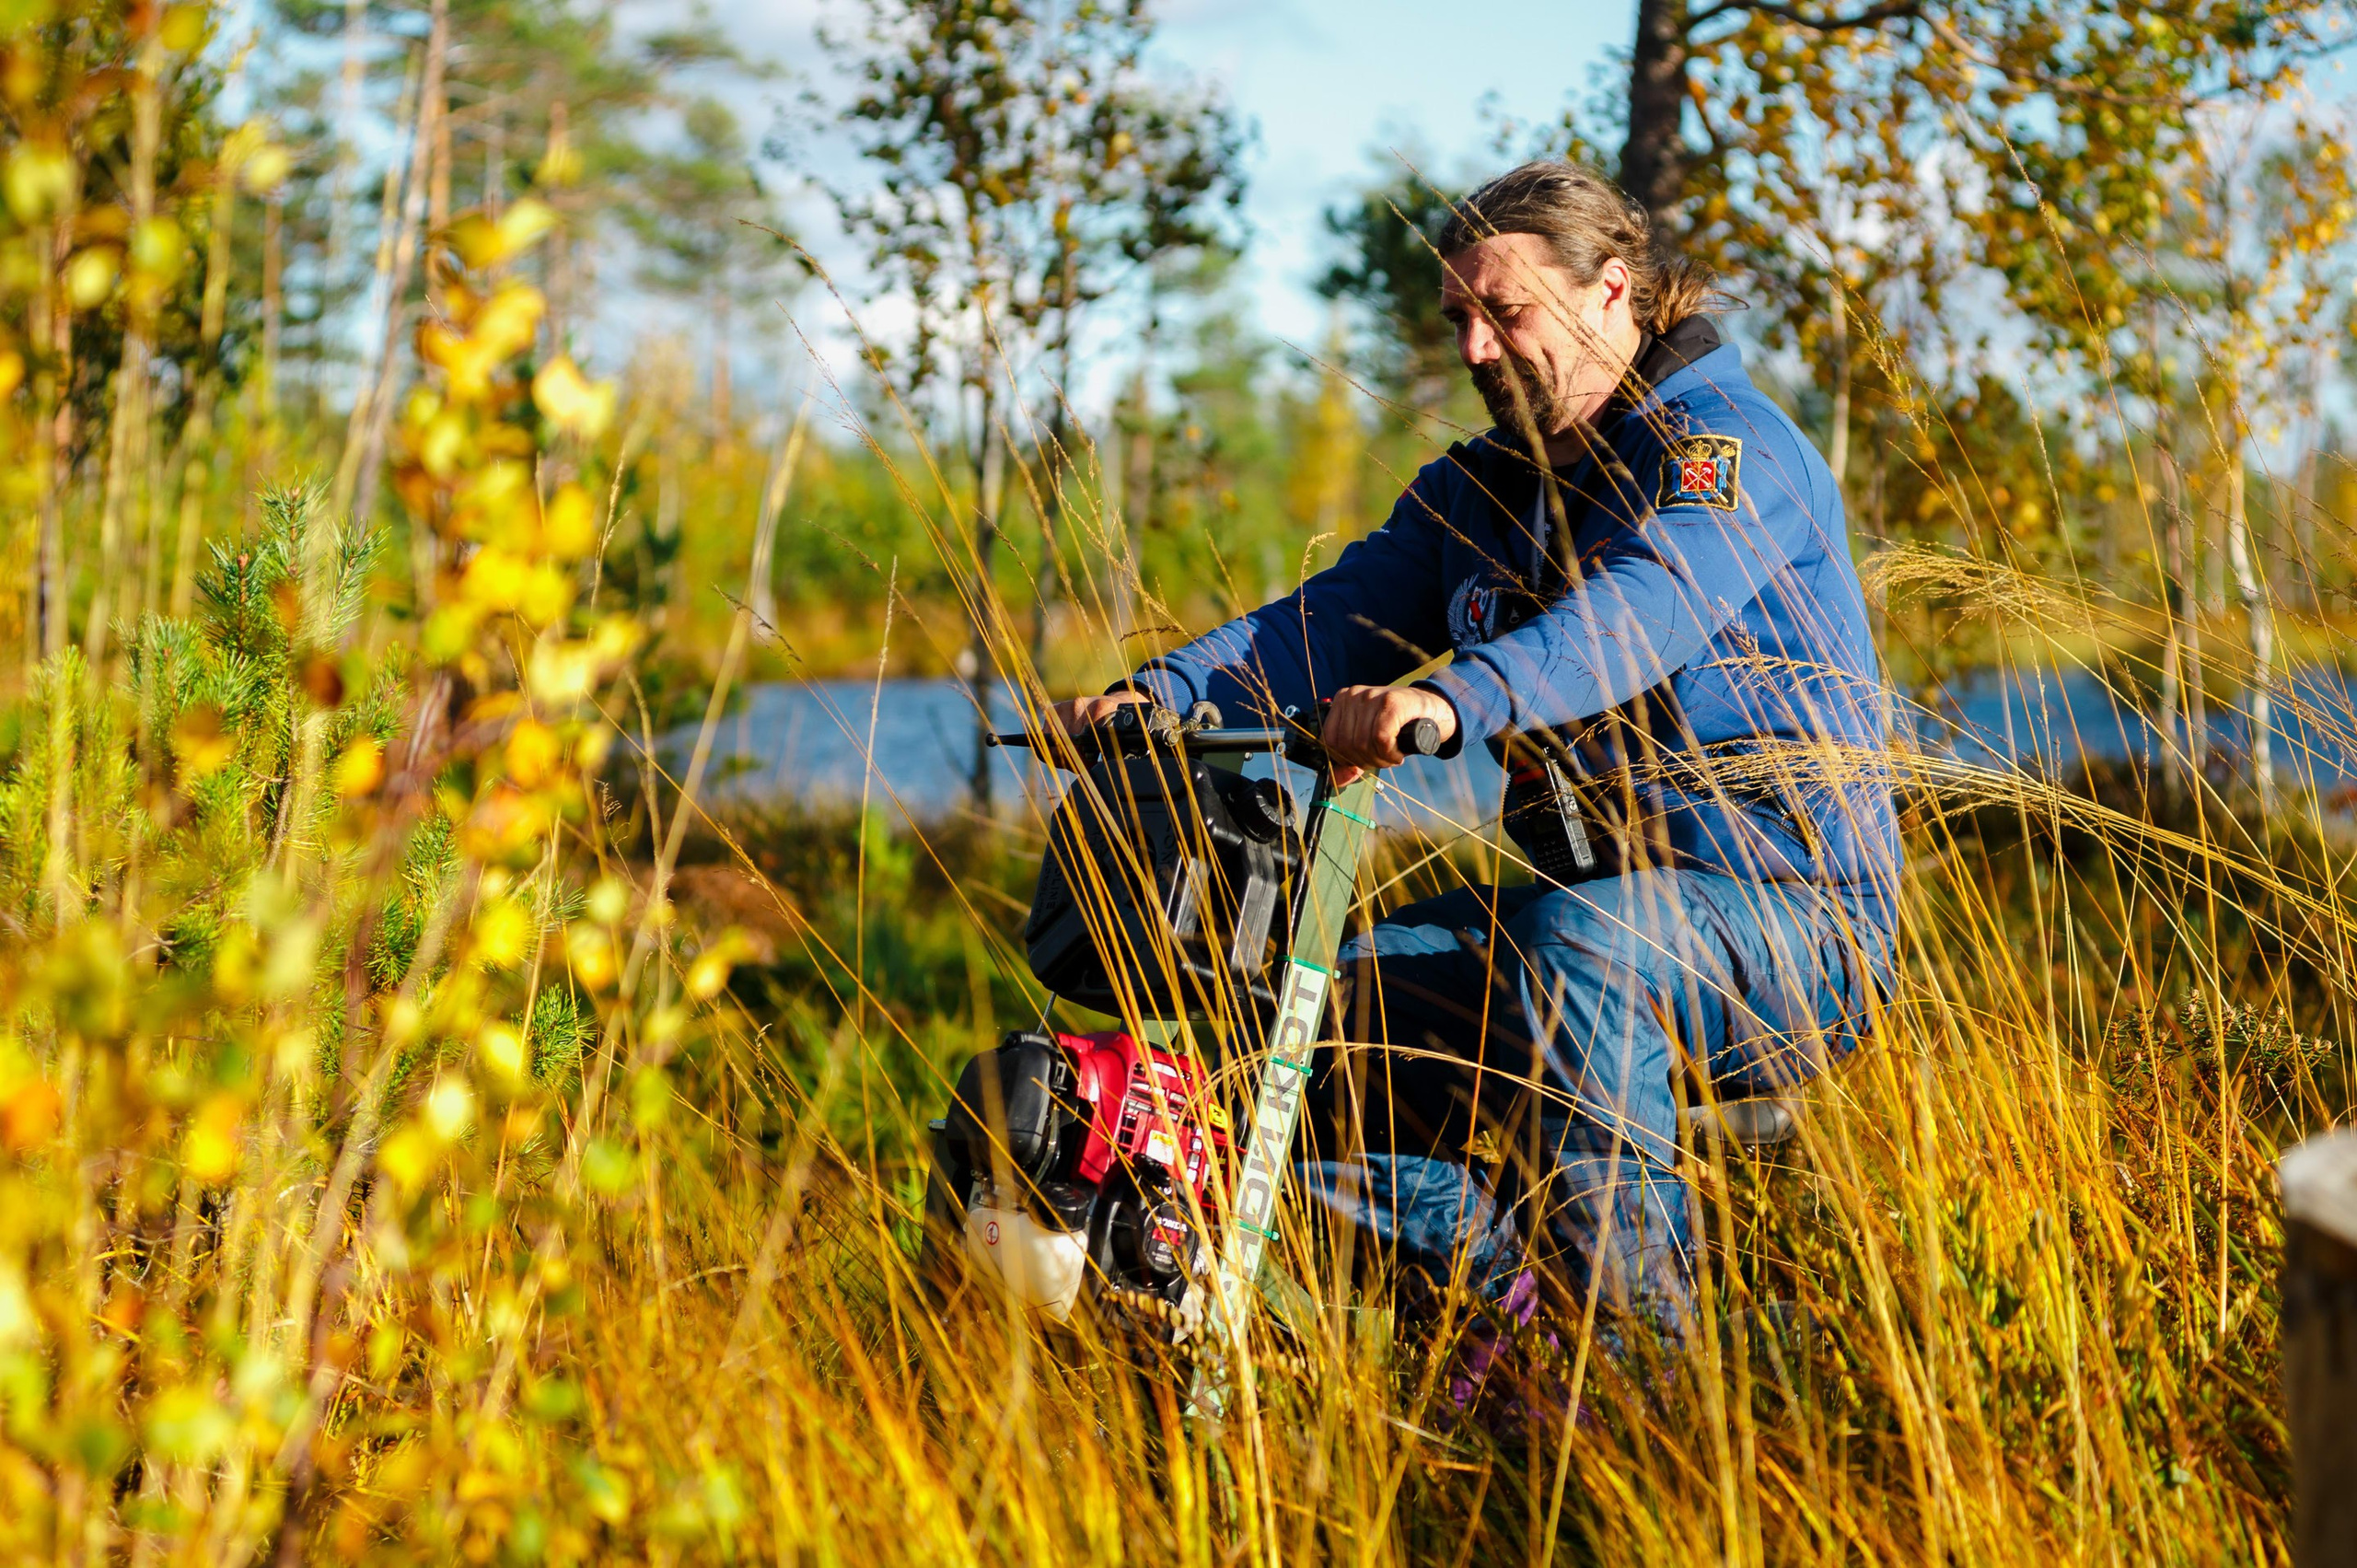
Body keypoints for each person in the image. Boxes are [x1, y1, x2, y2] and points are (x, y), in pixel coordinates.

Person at [1052, 159, 1898, 1338]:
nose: (1476, 349)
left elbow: (1634, 616)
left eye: (1504, 311)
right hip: (1591, 915)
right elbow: (1330, 618)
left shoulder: (1729, 456)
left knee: (1587, 946)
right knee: (1307, 1012)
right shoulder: (1481, 492)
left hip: (1795, 925)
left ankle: (1653, 1381)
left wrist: (1454, 698)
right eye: (1459, 318)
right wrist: (1155, 696)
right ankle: (1509, 1318)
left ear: (1611, 292)